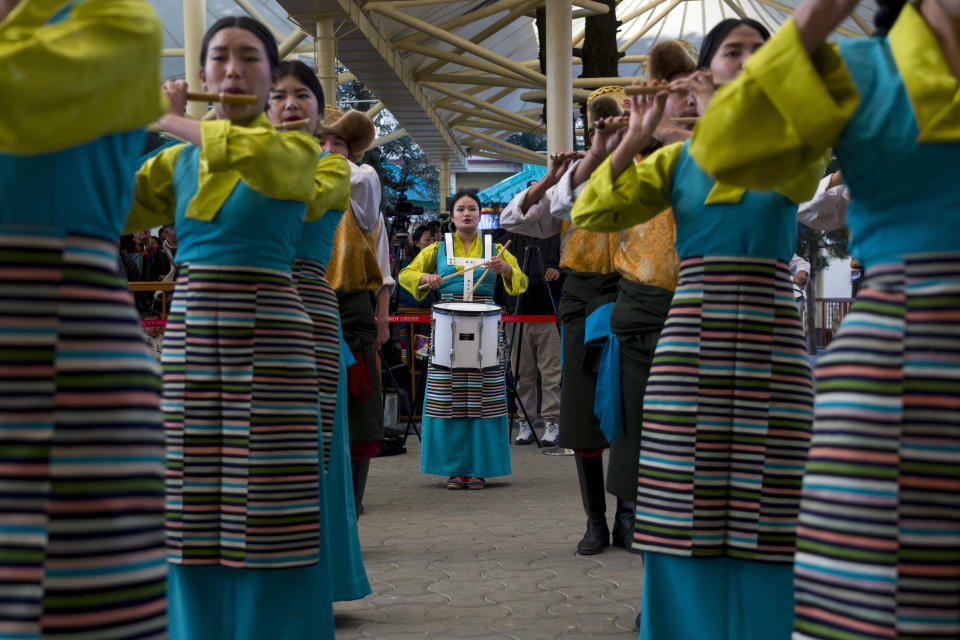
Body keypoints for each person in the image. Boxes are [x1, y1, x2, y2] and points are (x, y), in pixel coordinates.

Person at [689, 1, 960, 637]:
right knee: (877, 592)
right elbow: (726, 150)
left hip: (847, 339)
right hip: (904, 351)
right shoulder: (860, 67)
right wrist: (809, 25)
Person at [571, 18, 824, 639]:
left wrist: (715, 107)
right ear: (707, 68)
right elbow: (592, 210)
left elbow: (796, 178)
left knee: (776, 486)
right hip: (692, 332)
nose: (746, 61)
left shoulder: (791, 140)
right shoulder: (678, 160)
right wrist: (632, 137)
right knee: (686, 488)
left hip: (772, 334)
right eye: (732, 52)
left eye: (758, 53)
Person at [125, 16, 350, 640]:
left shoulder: (297, 148)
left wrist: (165, 117)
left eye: (249, 58)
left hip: (276, 337)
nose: (231, 68)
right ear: (202, 75)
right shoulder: (175, 162)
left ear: (268, 75)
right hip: (192, 334)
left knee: (272, 504)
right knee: (188, 504)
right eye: (219, 57)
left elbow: (276, 169)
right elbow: (108, 204)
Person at [0, 1, 167, 638]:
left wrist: (185, 122)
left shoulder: (117, 22)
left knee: (73, 597)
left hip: (58, 336)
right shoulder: (183, 162)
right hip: (191, 330)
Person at [266, 59, 372, 603]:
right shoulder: (248, 158)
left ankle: (316, 579)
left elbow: (295, 197)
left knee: (314, 446)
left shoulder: (335, 168)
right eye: (276, 95)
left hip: (306, 305)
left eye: (301, 96)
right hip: (246, 306)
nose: (288, 104)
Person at [399, 191, 528, 490]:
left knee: (486, 399)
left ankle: (480, 467)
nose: (467, 213)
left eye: (472, 208)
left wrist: (505, 268)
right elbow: (406, 274)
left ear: (480, 214)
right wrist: (425, 279)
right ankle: (454, 468)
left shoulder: (494, 249)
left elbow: (520, 281)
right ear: (452, 216)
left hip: (487, 330)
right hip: (446, 329)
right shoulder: (437, 249)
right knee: (448, 400)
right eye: (461, 209)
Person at [320, 105, 393, 517]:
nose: (330, 151)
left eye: (339, 144)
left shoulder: (364, 192)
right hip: (305, 307)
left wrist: (382, 318)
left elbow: (382, 269)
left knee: (358, 410)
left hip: (351, 311)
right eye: (322, 143)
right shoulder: (295, 194)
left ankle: (351, 504)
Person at [503, 231, 563, 447]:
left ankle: (552, 422)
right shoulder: (508, 238)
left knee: (552, 374)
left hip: (549, 312)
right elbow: (499, 276)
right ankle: (525, 421)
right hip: (516, 313)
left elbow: (568, 267)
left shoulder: (554, 235)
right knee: (521, 374)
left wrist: (558, 272)